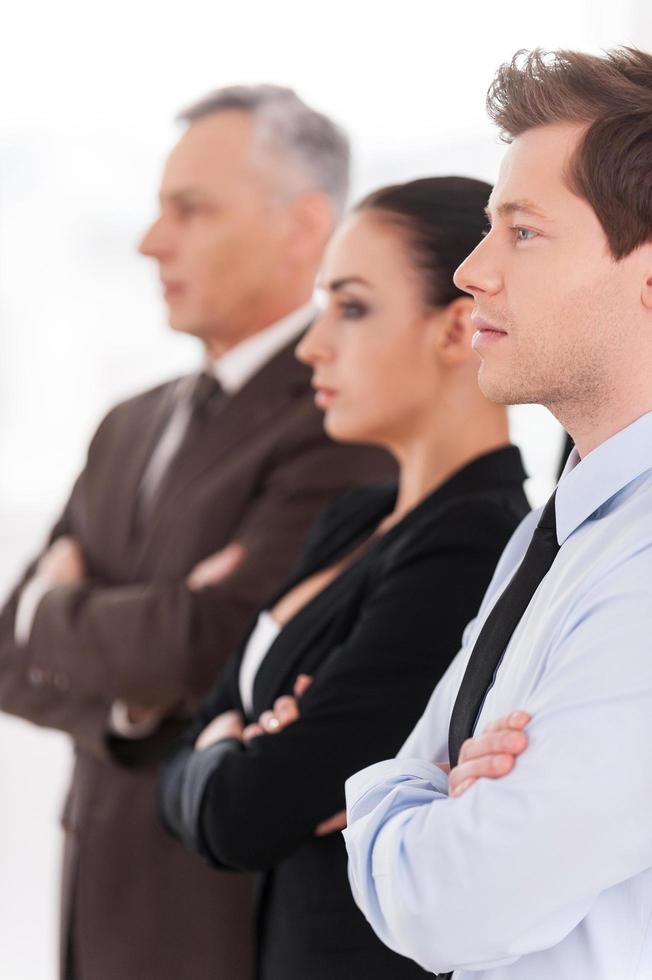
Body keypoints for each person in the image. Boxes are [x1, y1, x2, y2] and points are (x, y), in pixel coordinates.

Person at [0, 85, 393, 980]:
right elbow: (7, 651)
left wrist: (59, 609)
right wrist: (136, 682)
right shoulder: (127, 424)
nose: (151, 240)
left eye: (192, 209)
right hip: (98, 917)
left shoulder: (350, 424)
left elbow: (215, 646)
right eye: (155, 209)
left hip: (225, 925)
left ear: (304, 228)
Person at [158, 176, 530, 980]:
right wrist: (235, 745)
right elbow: (194, 769)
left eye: (352, 307)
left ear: (458, 325)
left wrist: (229, 746)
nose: (310, 344)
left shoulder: (474, 545)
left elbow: (247, 815)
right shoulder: (355, 518)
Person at [343, 47, 652, 980]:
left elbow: (446, 908)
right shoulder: (559, 527)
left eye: (523, 232)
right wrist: (429, 795)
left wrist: (402, 800)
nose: (472, 272)